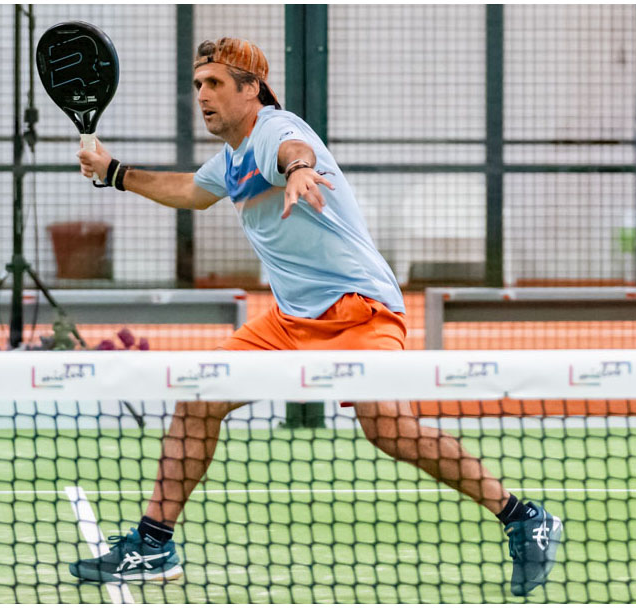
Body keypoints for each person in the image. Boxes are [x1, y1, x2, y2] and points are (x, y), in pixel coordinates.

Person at [73, 37, 562, 596]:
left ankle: (524, 517)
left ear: (252, 90)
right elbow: (189, 189)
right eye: (198, 84)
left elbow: (293, 149)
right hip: (290, 320)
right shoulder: (232, 159)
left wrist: (301, 170)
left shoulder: (273, 130)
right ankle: (154, 544)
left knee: (390, 428)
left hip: (360, 311)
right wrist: (114, 171)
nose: (202, 95)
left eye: (215, 84)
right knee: (199, 396)